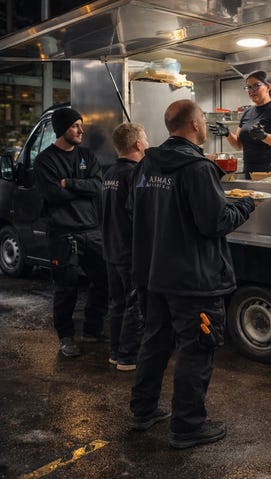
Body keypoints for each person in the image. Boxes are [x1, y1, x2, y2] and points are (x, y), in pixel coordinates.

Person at [129, 99, 257, 448]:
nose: (203, 124)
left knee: (155, 342)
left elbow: (135, 211)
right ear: (195, 125)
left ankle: (142, 411)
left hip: (153, 273)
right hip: (193, 280)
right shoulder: (198, 168)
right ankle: (187, 426)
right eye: (202, 118)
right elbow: (214, 222)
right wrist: (247, 204)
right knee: (196, 349)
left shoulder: (146, 164)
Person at [34, 107, 108, 357]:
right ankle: (66, 338)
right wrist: (80, 189)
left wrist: (70, 183)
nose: (81, 130)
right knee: (67, 288)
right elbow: (53, 194)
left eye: (81, 125)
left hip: (91, 231)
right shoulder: (45, 160)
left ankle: (92, 329)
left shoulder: (86, 155)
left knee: (105, 280)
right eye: (75, 125)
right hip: (63, 235)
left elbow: (98, 186)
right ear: (62, 129)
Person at [102, 123, 149, 371]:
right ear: (138, 144)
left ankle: (115, 351)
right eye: (146, 139)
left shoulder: (110, 173)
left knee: (117, 303)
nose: (148, 143)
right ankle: (128, 356)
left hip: (111, 248)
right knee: (135, 304)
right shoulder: (135, 174)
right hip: (130, 250)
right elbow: (139, 215)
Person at [208, 70, 271, 177]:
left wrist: (264, 136)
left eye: (256, 86)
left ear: (268, 87)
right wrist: (227, 133)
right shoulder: (247, 113)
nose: (251, 90)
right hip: (251, 172)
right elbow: (239, 145)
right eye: (249, 87)